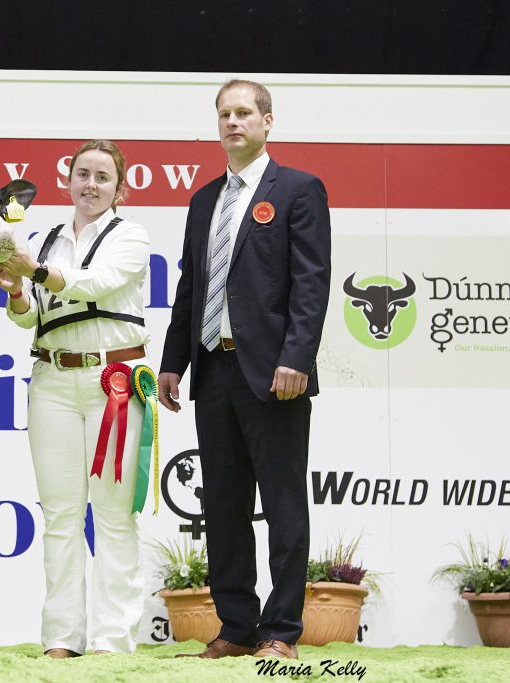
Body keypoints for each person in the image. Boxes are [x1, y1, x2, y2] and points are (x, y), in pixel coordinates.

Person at [159, 79, 331, 660]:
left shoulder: (300, 190)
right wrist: (172, 362)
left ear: (267, 121)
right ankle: (235, 627)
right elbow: (191, 286)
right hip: (213, 371)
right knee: (225, 507)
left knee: (283, 504)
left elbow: (312, 283)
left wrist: (296, 358)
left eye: (243, 113)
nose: (233, 122)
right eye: (224, 114)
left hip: (274, 374)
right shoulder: (204, 199)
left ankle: (280, 631)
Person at [0, 140, 151, 658]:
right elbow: (28, 316)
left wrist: (32, 270)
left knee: (112, 513)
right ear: (67, 181)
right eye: (82, 174)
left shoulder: (131, 236)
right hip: (54, 380)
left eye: (102, 177)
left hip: (114, 379)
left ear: (119, 189)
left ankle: (112, 640)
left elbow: (94, 285)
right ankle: (62, 638)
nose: (90, 184)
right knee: (60, 514)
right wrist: (16, 289)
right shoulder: (46, 240)